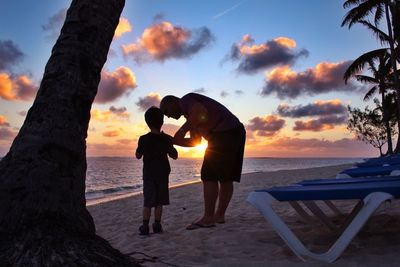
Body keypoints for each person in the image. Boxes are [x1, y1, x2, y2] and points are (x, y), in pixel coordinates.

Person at [160, 93, 246, 230]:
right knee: (226, 177)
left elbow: (201, 111)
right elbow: (195, 142)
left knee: (209, 175)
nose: (168, 116)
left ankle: (208, 218)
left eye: (166, 111)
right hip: (235, 131)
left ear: (173, 102)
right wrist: (173, 141)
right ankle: (219, 216)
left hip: (223, 132)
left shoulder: (186, 100)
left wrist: (181, 130)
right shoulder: (191, 117)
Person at [136, 106, 178, 235]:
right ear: (162, 122)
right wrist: (170, 142)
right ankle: (157, 225)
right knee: (159, 201)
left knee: (148, 201)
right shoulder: (166, 139)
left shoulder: (143, 139)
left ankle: (144, 226)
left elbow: (138, 155)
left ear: (147, 122)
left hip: (148, 174)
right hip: (163, 173)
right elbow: (174, 155)